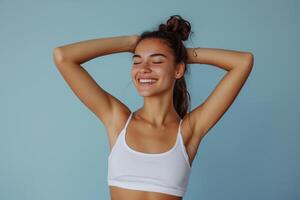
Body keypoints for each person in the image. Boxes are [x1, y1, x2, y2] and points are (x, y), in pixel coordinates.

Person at [53, 15, 254, 200]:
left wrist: (181, 53)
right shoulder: (118, 120)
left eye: (157, 60)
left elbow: (243, 62)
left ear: (178, 70)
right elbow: (63, 57)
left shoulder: (188, 131)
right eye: (137, 60)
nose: (143, 69)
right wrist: (130, 42)